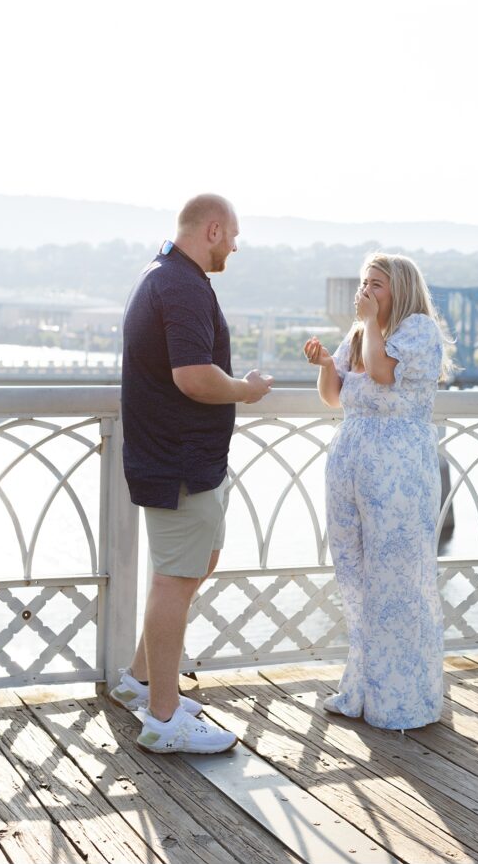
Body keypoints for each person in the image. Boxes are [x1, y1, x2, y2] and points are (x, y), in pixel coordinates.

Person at [111, 194, 273, 754]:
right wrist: (245, 389)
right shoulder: (179, 284)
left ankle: (140, 681)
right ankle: (163, 718)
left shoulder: (162, 274)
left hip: (183, 458)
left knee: (193, 566)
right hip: (177, 459)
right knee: (174, 581)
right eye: (232, 235)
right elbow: (194, 377)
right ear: (212, 229)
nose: (235, 245)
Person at [304, 252, 452, 731]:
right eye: (365, 282)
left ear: (401, 290)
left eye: (377, 284)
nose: (366, 291)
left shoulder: (418, 331)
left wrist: (367, 326)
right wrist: (327, 362)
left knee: (398, 582)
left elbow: (384, 374)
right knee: (356, 576)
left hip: (399, 471)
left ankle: (405, 699)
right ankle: (363, 689)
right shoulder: (359, 335)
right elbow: (335, 396)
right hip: (350, 463)